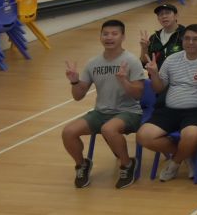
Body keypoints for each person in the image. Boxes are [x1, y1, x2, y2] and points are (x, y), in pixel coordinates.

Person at [62, 19, 148, 189]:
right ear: (100, 37)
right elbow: (78, 96)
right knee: (68, 132)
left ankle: (127, 164)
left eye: (114, 34)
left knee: (108, 129)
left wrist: (124, 81)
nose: (109, 37)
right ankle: (82, 165)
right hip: (100, 112)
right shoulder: (93, 63)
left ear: (123, 37)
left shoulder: (131, 61)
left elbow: (138, 94)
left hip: (129, 112)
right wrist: (74, 82)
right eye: (105, 34)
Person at [138, 24, 197, 183]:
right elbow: (158, 88)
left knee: (191, 135)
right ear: (182, 40)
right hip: (169, 110)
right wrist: (154, 74)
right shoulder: (171, 60)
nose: (190, 42)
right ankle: (185, 156)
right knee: (143, 136)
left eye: (196, 39)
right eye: (187, 38)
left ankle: (174, 163)